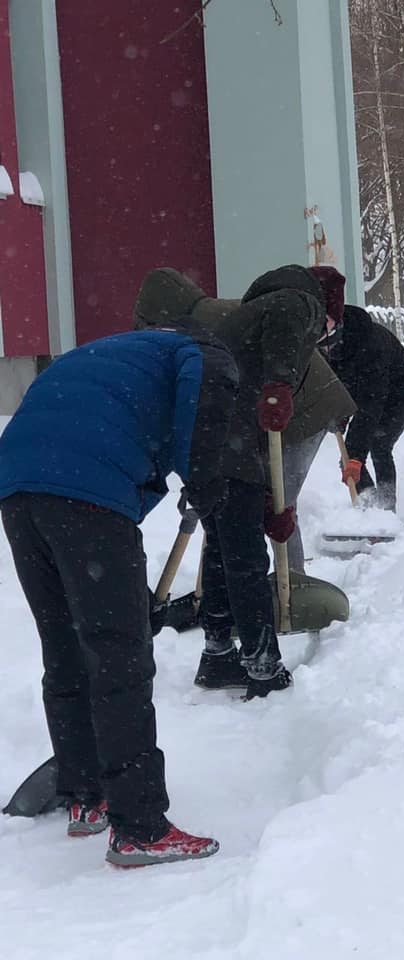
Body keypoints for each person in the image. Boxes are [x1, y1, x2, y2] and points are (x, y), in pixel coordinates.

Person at [0, 323, 238, 867]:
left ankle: (89, 796)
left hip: (17, 484)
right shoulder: (201, 352)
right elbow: (205, 400)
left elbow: (123, 466)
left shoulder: (117, 355)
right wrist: (205, 482)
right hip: (84, 483)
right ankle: (140, 826)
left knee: (64, 646)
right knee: (119, 656)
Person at [134, 265, 329, 694]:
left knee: (222, 552)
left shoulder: (243, 316)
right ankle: (262, 665)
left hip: (209, 445)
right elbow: (285, 325)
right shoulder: (295, 300)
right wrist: (279, 382)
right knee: (244, 560)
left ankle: (218, 655)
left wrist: (266, 504)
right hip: (230, 442)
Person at [310, 265, 404, 512]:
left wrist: (356, 456)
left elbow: (371, 403)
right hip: (366, 392)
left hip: (402, 392)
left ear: (337, 322)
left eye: (324, 323)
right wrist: (337, 412)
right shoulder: (320, 343)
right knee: (349, 459)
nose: (324, 349)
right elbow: (333, 384)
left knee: (378, 445)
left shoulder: (369, 344)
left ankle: (386, 510)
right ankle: (369, 507)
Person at [282, 350, 356, 573]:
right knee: (277, 500)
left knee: (281, 501)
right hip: (296, 402)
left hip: (307, 409)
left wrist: (357, 455)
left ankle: (293, 580)